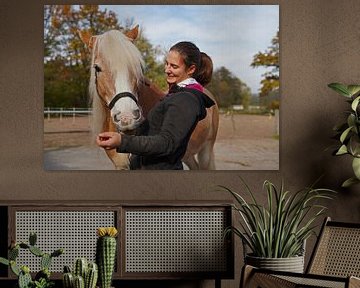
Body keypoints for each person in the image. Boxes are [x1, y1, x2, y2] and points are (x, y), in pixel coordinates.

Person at [96, 41, 215, 170]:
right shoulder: (176, 95)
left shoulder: (186, 100)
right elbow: (156, 129)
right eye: (167, 64)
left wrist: (122, 141)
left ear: (191, 69)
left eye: (174, 66)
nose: (167, 70)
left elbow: (166, 144)